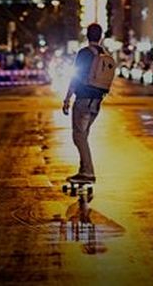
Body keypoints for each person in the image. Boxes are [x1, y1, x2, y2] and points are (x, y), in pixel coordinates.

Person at [62, 23, 109, 184]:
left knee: (78, 136)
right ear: (100, 36)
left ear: (87, 35)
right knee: (84, 135)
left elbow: (75, 77)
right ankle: (83, 171)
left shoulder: (84, 53)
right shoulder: (104, 53)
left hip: (83, 99)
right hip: (97, 101)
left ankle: (88, 172)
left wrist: (67, 98)